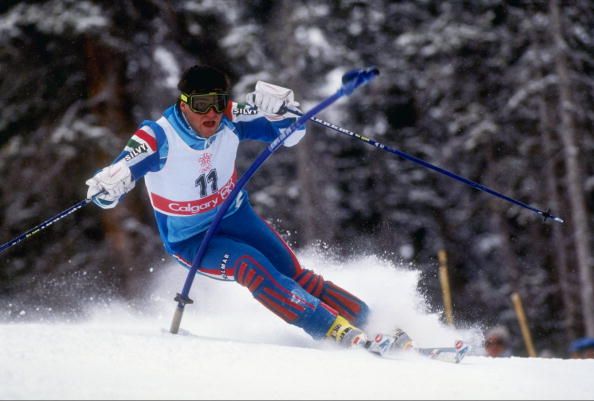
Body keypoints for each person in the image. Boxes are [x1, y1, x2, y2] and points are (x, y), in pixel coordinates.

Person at [85, 65, 372, 348]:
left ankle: (370, 322)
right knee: (249, 265)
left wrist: (281, 112)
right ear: (183, 104)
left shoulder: (230, 117)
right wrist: (107, 187)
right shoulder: (157, 137)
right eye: (201, 104)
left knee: (293, 273)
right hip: (191, 239)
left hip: (235, 216)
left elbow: (291, 135)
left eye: (218, 103)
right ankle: (333, 329)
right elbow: (107, 191)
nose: (211, 113)